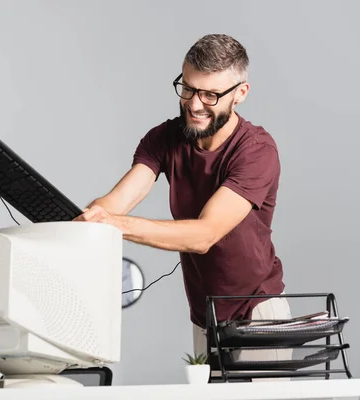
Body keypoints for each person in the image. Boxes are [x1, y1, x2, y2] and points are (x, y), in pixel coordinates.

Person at [74, 33, 291, 360]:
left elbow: (205, 235)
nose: (194, 104)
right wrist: (80, 222)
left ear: (240, 94)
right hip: (205, 317)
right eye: (188, 88)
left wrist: (115, 225)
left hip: (257, 312)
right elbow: (114, 203)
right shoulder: (163, 138)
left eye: (210, 95)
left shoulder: (256, 151)